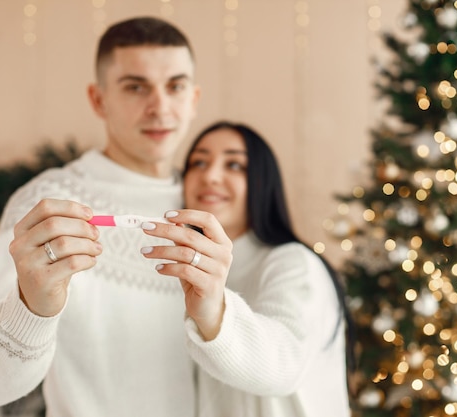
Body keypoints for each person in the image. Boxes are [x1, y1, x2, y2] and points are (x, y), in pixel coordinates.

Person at [0, 16, 215, 417]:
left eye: (176, 86)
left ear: (195, 98)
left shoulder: (214, 203)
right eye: (136, 87)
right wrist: (31, 304)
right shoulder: (46, 206)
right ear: (98, 100)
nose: (160, 107)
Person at [140, 121, 357, 416]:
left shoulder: (293, 262)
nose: (211, 176)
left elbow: (285, 364)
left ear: (262, 181)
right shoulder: (186, 270)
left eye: (234, 165)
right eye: (199, 162)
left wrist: (214, 312)